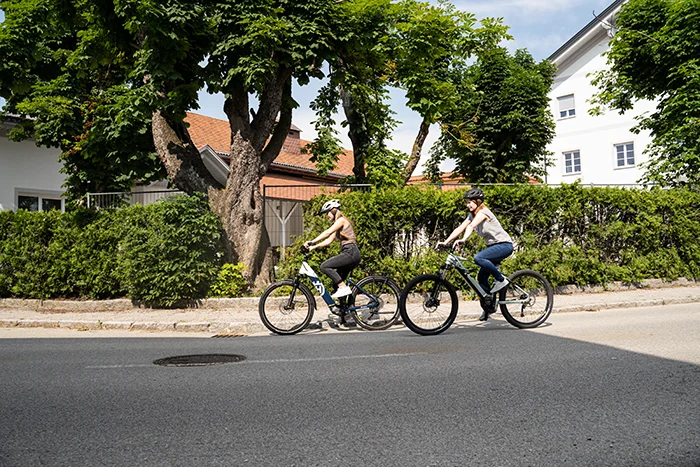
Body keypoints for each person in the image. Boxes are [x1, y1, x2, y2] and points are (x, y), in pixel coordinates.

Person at [436, 188, 514, 321]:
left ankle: (501, 280)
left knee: (478, 258)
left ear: (478, 201)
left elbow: (471, 227)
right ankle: (488, 307)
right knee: (481, 277)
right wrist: (446, 241)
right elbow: (460, 228)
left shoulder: (484, 212)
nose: (468, 205)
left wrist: (464, 239)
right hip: (493, 247)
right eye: (467, 202)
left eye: (470, 202)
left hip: (504, 245)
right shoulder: (471, 215)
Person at [303, 199, 361, 299]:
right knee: (335, 284)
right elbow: (328, 240)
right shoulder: (338, 225)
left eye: (327, 213)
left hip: (351, 252)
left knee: (324, 266)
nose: (327, 216)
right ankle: (344, 310)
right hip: (349, 253)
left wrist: (311, 241)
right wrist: (313, 247)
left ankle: (343, 287)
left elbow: (327, 232)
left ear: (333, 210)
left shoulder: (341, 220)